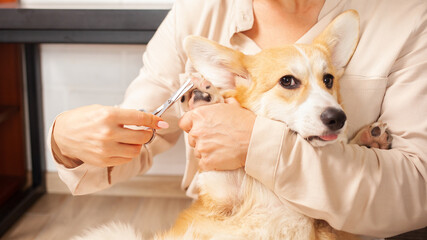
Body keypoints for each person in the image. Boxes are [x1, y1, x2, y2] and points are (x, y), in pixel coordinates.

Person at [50, 0, 427, 238]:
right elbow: (140, 127)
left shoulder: (408, 16)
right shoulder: (197, 11)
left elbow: (418, 189)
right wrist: (66, 141)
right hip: (220, 218)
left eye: (328, 81)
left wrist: (254, 142)